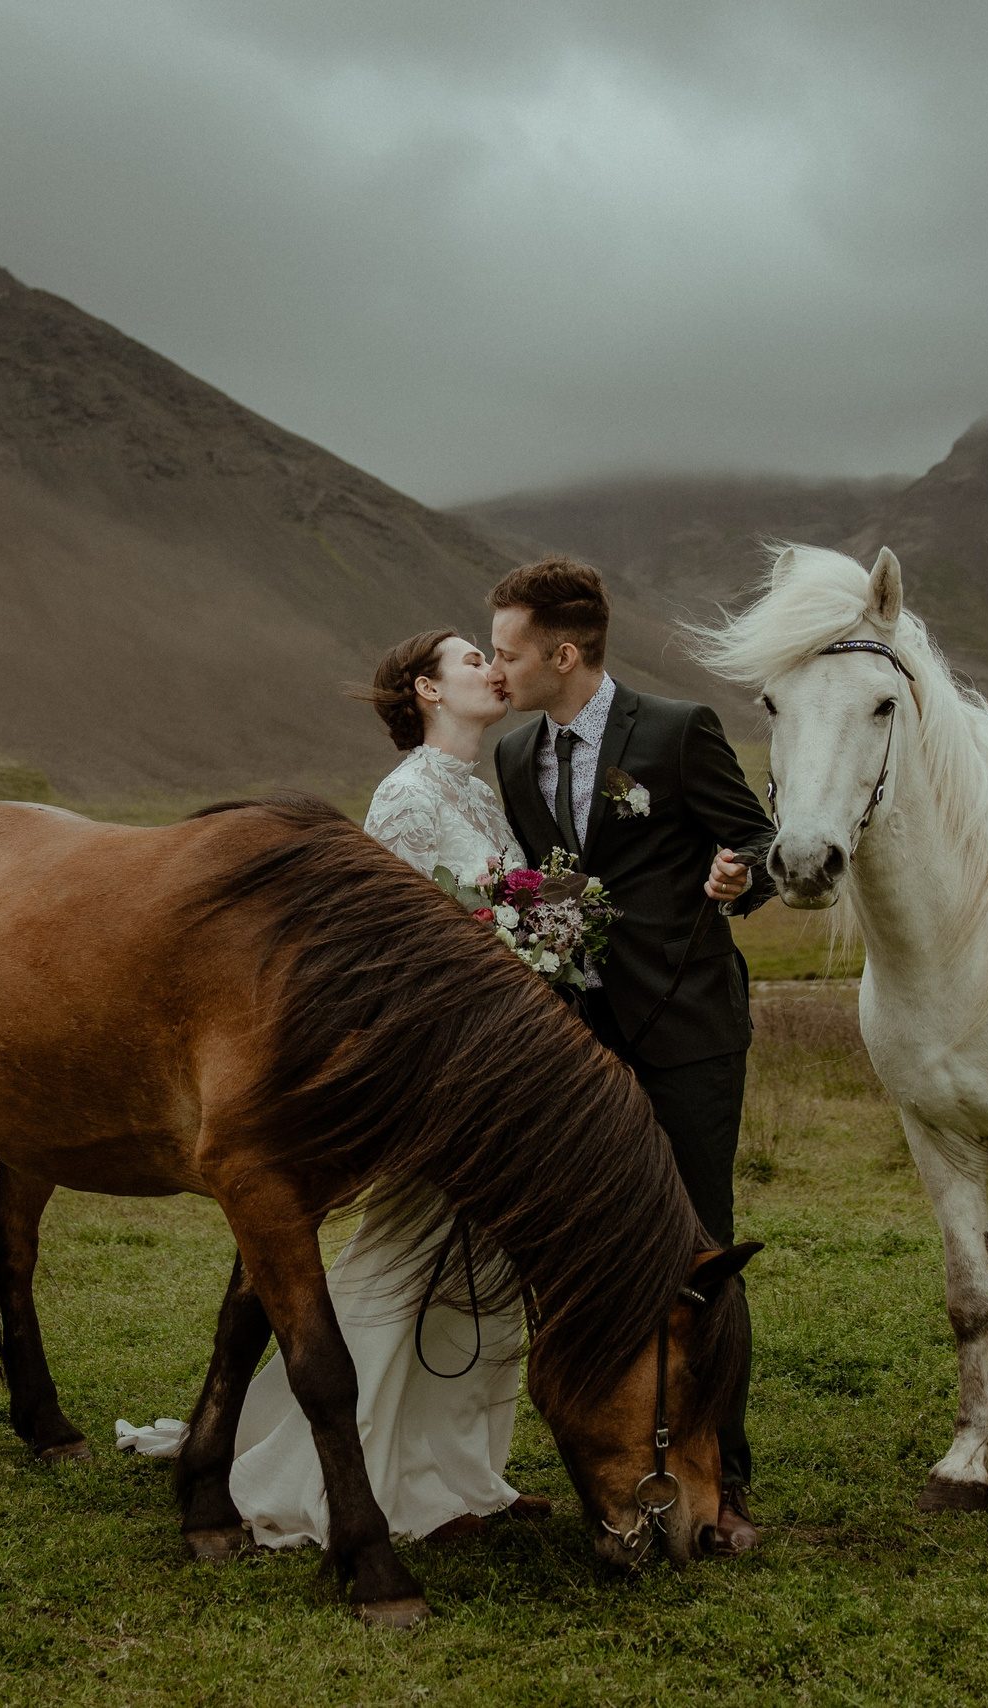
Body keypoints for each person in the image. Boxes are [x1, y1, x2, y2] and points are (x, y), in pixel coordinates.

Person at [226, 628, 547, 1549]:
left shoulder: (477, 791)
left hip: (503, 1055)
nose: (493, 666)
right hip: (442, 1062)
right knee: (407, 1256)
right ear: (427, 690)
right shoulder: (404, 798)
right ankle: (350, 1469)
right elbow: (385, 945)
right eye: (471, 658)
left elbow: (507, 904)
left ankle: (463, 1476)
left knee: (483, 1268)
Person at [484, 556, 776, 1554]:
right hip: (582, 1046)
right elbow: (546, 886)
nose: (496, 669)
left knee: (700, 1254)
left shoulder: (675, 730)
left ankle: (724, 1477)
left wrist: (743, 873)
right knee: (596, 1250)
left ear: (564, 654)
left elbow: (759, 843)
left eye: (508, 651)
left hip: (690, 1032)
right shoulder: (516, 756)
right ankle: (614, 1453)